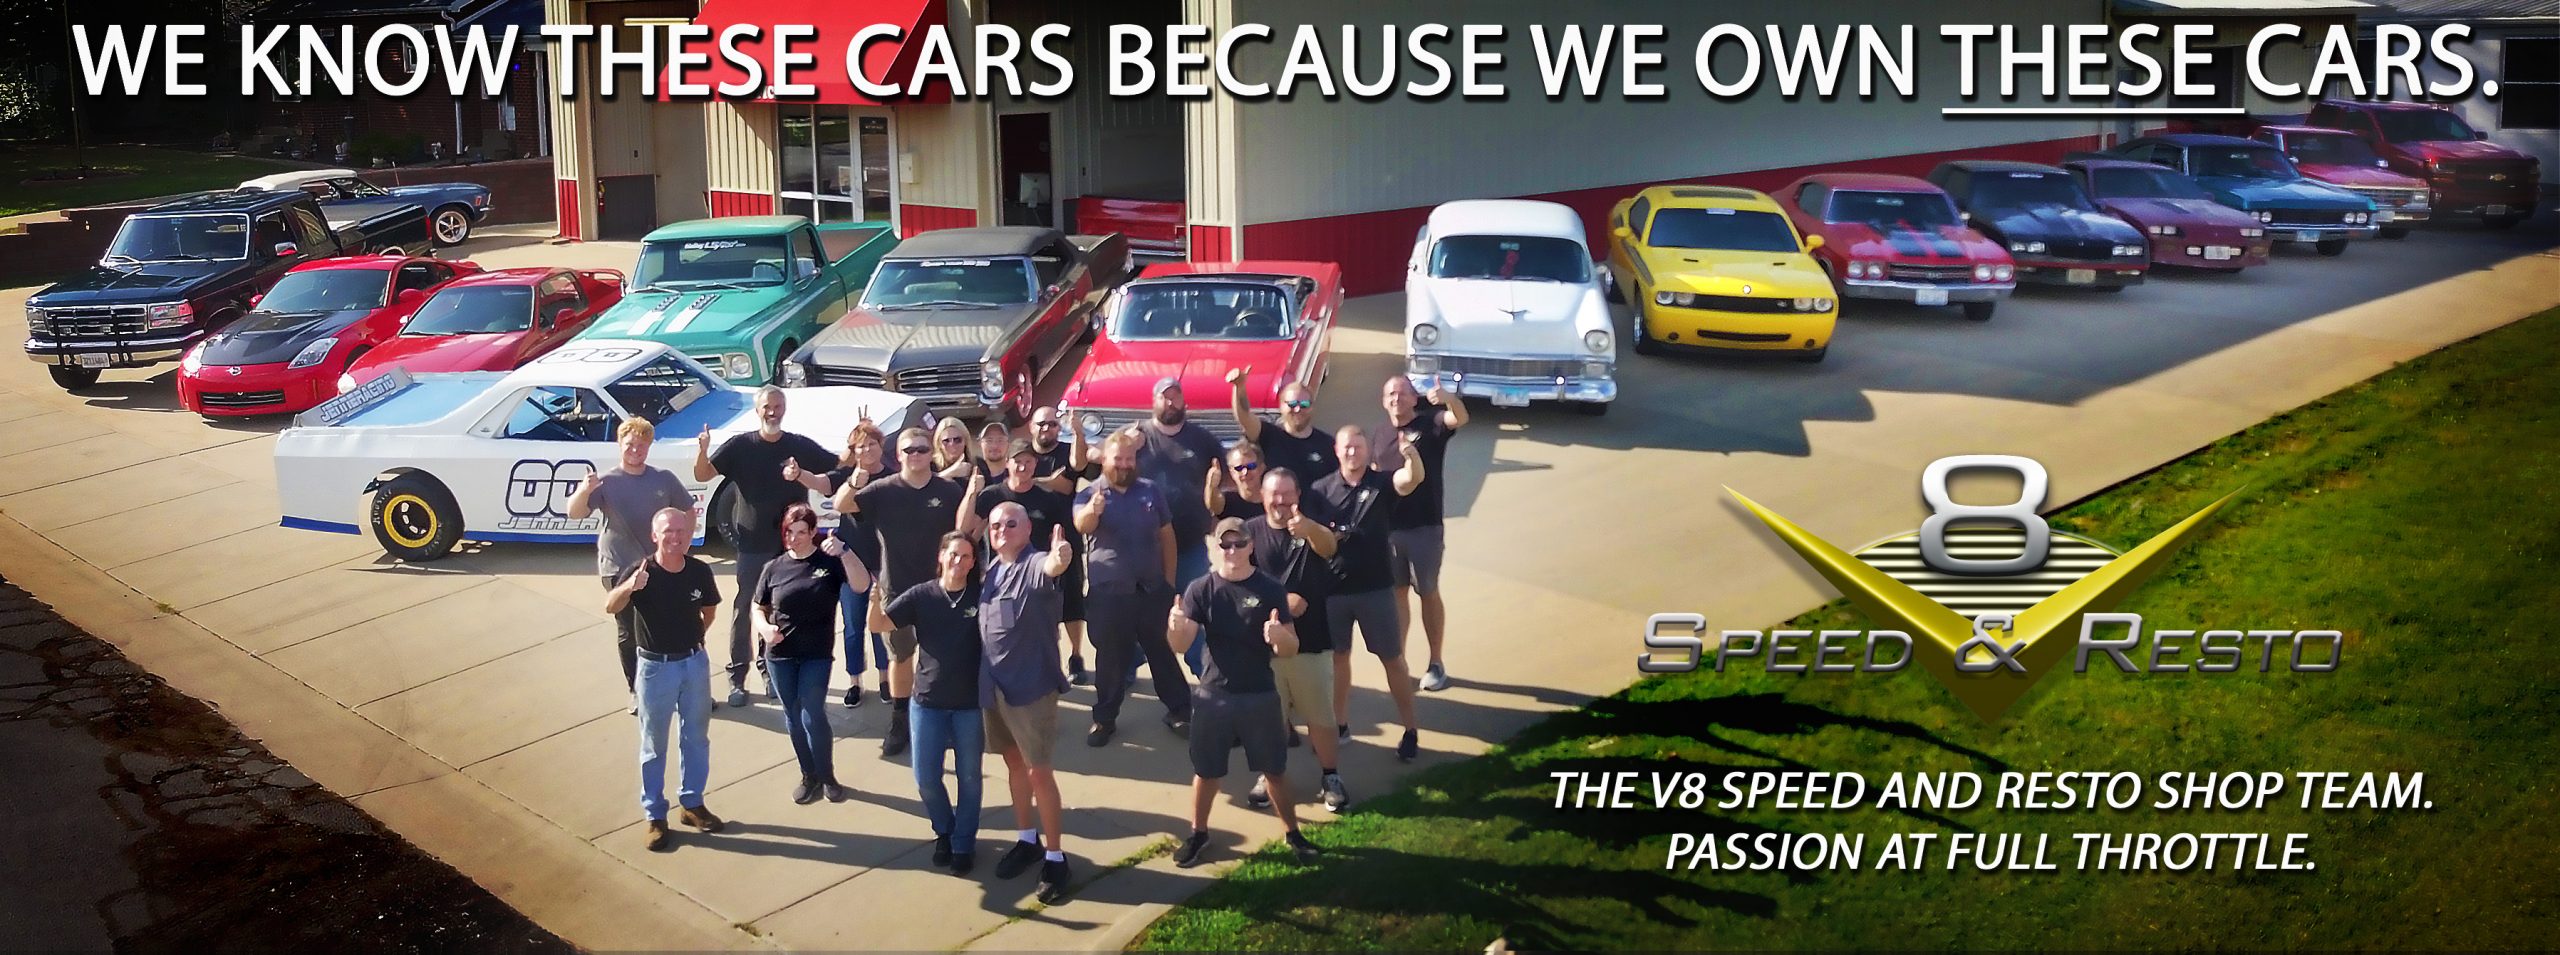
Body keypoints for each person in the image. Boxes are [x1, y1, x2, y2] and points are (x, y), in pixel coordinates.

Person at [1166, 517, 1323, 868]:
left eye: (1239, 544)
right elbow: (1180, 644)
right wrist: (1175, 626)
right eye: (1225, 544)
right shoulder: (1200, 589)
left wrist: (1279, 638)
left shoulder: (1269, 590)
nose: (1232, 551)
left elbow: (1291, 646)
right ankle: (1198, 833)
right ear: (1216, 547)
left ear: (1252, 546)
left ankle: (1293, 833)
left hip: (1259, 695)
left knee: (1274, 771)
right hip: (1213, 695)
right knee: (1207, 773)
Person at [694, 386, 837, 708]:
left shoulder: (798, 446)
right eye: (766, 407)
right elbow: (702, 475)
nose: (772, 411)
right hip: (752, 546)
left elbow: (838, 464)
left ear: (784, 408)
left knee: (778, 611)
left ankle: (769, 669)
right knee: (745, 609)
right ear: (757, 410)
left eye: (777, 406)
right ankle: (736, 677)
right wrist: (703, 450)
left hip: (790, 547)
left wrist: (859, 441)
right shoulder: (741, 446)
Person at [835, 427, 965, 758]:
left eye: (922, 449)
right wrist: (859, 473)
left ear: (930, 453)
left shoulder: (948, 491)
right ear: (899, 455)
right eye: (909, 450)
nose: (916, 455)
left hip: (940, 590)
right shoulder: (882, 489)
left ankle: (942, 718)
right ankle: (899, 718)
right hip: (896, 590)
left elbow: (966, 528)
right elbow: (841, 504)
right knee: (901, 658)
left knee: (943, 659)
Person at [604, 507, 725, 851]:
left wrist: (694, 640)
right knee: (654, 744)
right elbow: (611, 606)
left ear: (690, 534)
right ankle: (655, 815)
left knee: (696, 737)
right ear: (655, 536)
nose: (675, 538)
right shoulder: (642, 571)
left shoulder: (699, 571)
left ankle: (692, 804)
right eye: (668, 532)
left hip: (694, 664)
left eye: (681, 531)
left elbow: (710, 610)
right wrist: (631, 586)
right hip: (655, 669)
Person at [975, 503, 1077, 902]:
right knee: (1013, 765)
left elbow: (1052, 567)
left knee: (1039, 773)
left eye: (1011, 523)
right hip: (995, 689)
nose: (1001, 530)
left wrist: (1059, 557)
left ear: (1027, 527)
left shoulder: (1034, 564)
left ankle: (1054, 856)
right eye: (996, 525)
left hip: (1031, 690)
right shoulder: (992, 569)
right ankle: (1026, 839)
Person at [1311, 425, 1425, 762]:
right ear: (1337, 450)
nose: (1352, 453)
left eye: (1358, 447)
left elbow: (1411, 479)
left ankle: (1410, 729)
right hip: (1333, 592)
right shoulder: (1320, 490)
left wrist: (1411, 456)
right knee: (1338, 659)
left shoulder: (1382, 483)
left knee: (1393, 661)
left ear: (1366, 450)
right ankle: (1340, 723)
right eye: (1346, 447)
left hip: (1376, 590)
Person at [566, 418, 693, 712]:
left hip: (658, 566)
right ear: (620, 445)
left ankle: (680, 688)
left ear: (649, 447)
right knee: (629, 632)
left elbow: (687, 511)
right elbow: (574, 513)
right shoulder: (606, 482)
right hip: (618, 566)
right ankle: (636, 690)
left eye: (641, 445)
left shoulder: (664, 479)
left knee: (670, 627)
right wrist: (585, 490)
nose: (635, 450)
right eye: (630, 444)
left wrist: (680, 550)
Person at [1243, 468, 1352, 813]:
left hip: (1313, 641)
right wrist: (1281, 603)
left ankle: (1331, 776)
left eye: (1287, 494)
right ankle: (1268, 776)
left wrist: (1310, 530)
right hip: (1264, 648)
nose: (1280, 501)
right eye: (1274, 495)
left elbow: (1330, 547)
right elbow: (1239, 586)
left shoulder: (1310, 526)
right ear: (1263, 496)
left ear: (1298, 496)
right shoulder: (1250, 533)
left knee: (1320, 716)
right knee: (1269, 719)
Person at [1074, 429, 1189, 746]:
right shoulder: (1090, 494)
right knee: (1110, 660)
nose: (1124, 464)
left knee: (1162, 654)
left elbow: (1167, 537)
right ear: (1105, 461)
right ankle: (1104, 719)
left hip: (1151, 591)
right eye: (1117, 459)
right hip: (1109, 596)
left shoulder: (1150, 491)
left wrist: (1169, 582)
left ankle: (1179, 710)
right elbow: (1081, 526)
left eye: (1129, 458)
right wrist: (1092, 511)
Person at [883, 532, 989, 877]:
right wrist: (871, 600)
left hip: (970, 705)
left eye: (966, 556)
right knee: (926, 778)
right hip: (927, 702)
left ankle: (962, 842)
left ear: (974, 562)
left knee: (970, 778)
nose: (959, 561)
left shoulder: (981, 596)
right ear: (941, 556)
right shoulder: (922, 595)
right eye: (953, 554)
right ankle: (944, 829)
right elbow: (880, 623)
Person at [754, 503, 868, 805]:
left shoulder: (828, 563)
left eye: (801, 532)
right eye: (789, 532)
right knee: (792, 715)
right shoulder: (774, 567)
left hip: (816, 654)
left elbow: (861, 584)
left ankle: (827, 776)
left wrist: (845, 551)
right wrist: (765, 628)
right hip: (780, 654)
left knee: (813, 713)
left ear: (813, 532)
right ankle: (809, 776)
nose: (794, 538)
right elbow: (757, 606)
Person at [1378, 376, 1470, 692]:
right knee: (1397, 594)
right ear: (1383, 400)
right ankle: (1400, 661)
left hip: (1425, 528)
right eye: (1391, 394)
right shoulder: (1379, 434)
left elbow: (1459, 417)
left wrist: (1448, 398)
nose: (1396, 398)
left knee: (1427, 592)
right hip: (1389, 531)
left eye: (1402, 393)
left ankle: (1436, 662)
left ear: (1414, 399)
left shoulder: (1431, 424)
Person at [1131, 377, 1225, 592]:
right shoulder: (1137, 436)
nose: (1171, 403)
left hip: (1190, 544)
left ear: (1184, 401)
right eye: (1165, 398)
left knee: (1192, 611)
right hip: (1146, 544)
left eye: (1176, 397)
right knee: (1150, 614)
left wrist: (1216, 508)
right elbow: (1097, 454)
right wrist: (1124, 442)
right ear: (1153, 402)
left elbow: (1225, 480)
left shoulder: (1202, 439)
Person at [825, 422, 894, 708]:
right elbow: (840, 503)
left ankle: (884, 679)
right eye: (860, 446)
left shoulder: (893, 476)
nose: (866, 450)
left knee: (879, 624)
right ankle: (855, 681)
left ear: (881, 446)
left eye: (871, 444)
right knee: (853, 625)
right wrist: (854, 477)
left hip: (882, 563)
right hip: (851, 559)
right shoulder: (847, 475)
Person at [1023, 406, 1093, 685]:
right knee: (1039, 606)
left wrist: (1077, 431)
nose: (1046, 429)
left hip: (1067, 538)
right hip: (1030, 542)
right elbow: (1014, 481)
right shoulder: (1022, 452)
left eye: (1052, 424)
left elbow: (1075, 472)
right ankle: (1046, 658)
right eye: (1041, 424)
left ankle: (1076, 656)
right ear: (1031, 426)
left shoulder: (1067, 450)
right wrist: (1047, 482)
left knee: (1073, 603)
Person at [1229, 366, 1337, 479]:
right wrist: (1239, 388)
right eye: (1292, 404)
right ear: (1281, 406)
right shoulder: (1268, 435)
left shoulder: (1328, 444)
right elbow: (1244, 417)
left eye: (1304, 404)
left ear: (1312, 407)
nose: (1297, 409)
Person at [1203, 441, 1268, 524]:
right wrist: (1212, 487)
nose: (1245, 472)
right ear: (1232, 472)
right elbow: (1214, 507)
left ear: (1262, 468)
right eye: (1239, 468)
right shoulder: (1228, 500)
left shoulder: (1272, 499)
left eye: (1251, 466)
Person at [932, 417, 980, 481]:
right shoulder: (930, 465)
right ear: (939, 444)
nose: (952, 444)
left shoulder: (978, 463)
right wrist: (951, 472)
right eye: (946, 441)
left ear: (965, 441)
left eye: (957, 440)